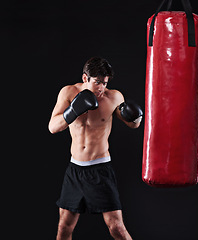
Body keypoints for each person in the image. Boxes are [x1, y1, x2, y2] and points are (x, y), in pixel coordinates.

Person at [48, 56, 143, 240]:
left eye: (105, 83)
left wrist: (136, 117)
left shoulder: (113, 97)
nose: (102, 88)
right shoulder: (68, 93)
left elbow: (133, 125)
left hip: (100, 169)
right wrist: (73, 111)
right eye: (98, 82)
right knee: (64, 227)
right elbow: (52, 127)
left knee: (116, 227)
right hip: (75, 170)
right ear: (85, 78)